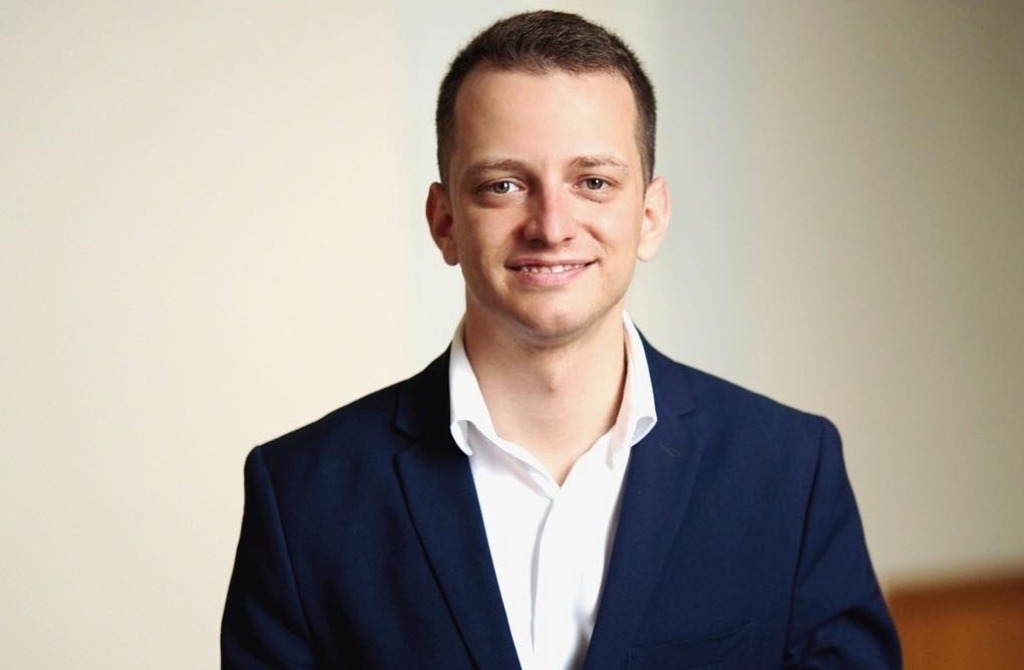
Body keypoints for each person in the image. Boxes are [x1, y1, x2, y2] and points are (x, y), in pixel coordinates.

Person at [221, 10, 900, 669]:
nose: (551, 226)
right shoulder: (301, 496)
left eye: (593, 182)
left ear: (651, 215)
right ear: (444, 222)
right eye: (504, 185)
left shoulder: (789, 471)